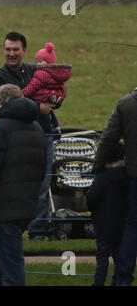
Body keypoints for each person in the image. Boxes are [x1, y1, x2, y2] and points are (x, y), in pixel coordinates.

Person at [0, 32, 57, 241]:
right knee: (16, 185)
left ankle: (37, 232)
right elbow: (4, 108)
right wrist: (39, 107)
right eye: (8, 49)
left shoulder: (36, 70)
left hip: (44, 134)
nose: (11, 54)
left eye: (15, 50)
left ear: (24, 51)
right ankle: (15, 230)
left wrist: (54, 101)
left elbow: (53, 93)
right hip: (14, 139)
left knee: (43, 184)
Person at [0, 84, 47, 286]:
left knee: (11, 268)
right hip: (26, 204)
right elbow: (42, 169)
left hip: (3, 207)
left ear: (0, 104)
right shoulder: (37, 128)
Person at [93, 87, 137, 286]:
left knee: (132, 228)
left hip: (134, 175)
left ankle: (122, 279)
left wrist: (98, 167)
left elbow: (108, 138)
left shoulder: (127, 103)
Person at [87, 142, 128, 286]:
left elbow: (91, 199)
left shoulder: (102, 178)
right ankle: (119, 281)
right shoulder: (127, 179)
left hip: (103, 225)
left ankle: (98, 282)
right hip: (122, 224)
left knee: (102, 258)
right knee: (120, 257)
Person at [21, 42, 71, 108]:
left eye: (40, 61)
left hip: (42, 99)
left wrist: (21, 94)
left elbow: (32, 87)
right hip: (53, 98)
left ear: (49, 63)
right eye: (37, 62)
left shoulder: (41, 73)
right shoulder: (56, 73)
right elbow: (62, 87)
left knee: (33, 94)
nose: (38, 64)